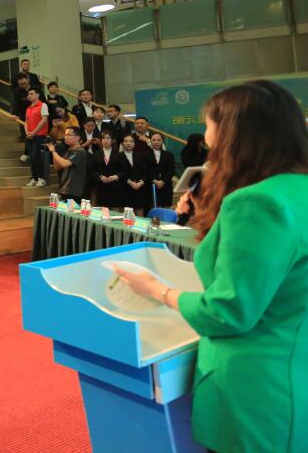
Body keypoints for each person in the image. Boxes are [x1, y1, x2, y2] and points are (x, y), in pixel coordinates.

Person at [112, 80, 308, 453]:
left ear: (235, 133)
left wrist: (157, 291)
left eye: (209, 125)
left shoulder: (254, 203)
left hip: (256, 386)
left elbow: (228, 311)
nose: (206, 137)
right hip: (293, 368)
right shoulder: (294, 189)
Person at [47, 126, 88, 204]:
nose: (66, 137)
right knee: (65, 211)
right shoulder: (68, 151)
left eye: (69, 135)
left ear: (77, 137)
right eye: (65, 135)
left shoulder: (80, 151)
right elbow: (57, 167)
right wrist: (54, 152)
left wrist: (53, 152)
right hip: (65, 189)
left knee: (72, 211)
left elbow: (64, 164)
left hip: (74, 190)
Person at [23, 88, 50, 188]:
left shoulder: (43, 105)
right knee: (32, 157)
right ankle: (34, 178)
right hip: (30, 136)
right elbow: (26, 122)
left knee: (37, 156)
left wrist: (34, 133)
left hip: (40, 135)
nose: (29, 96)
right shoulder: (28, 108)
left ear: (38, 95)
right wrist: (27, 132)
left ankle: (41, 178)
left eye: (31, 93)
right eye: (28, 94)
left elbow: (44, 120)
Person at [119, 133, 150, 214]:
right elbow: (118, 172)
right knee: (127, 215)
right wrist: (130, 182)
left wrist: (141, 182)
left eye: (131, 141)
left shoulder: (141, 156)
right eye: (126, 141)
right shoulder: (118, 156)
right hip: (125, 189)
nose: (128, 143)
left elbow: (146, 172)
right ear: (122, 143)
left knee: (140, 213)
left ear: (134, 144)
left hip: (139, 188)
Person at [91, 131, 122, 209]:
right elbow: (92, 170)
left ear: (113, 140)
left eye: (108, 138)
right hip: (100, 187)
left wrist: (116, 177)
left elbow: (124, 171)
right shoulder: (95, 155)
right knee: (101, 212)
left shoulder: (119, 155)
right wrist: (100, 177)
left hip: (115, 187)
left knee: (115, 212)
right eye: (103, 138)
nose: (105, 140)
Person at [148, 132, 176, 209]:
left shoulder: (169, 155)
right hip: (151, 185)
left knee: (166, 207)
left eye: (159, 140)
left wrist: (163, 181)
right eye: (154, 140)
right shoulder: (145, 154)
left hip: (166, 185)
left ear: (162, 141)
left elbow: (171, 170)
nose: (156, 142)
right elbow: (145, 170)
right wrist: (154, 181)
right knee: (153, 208)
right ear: (150, 141)